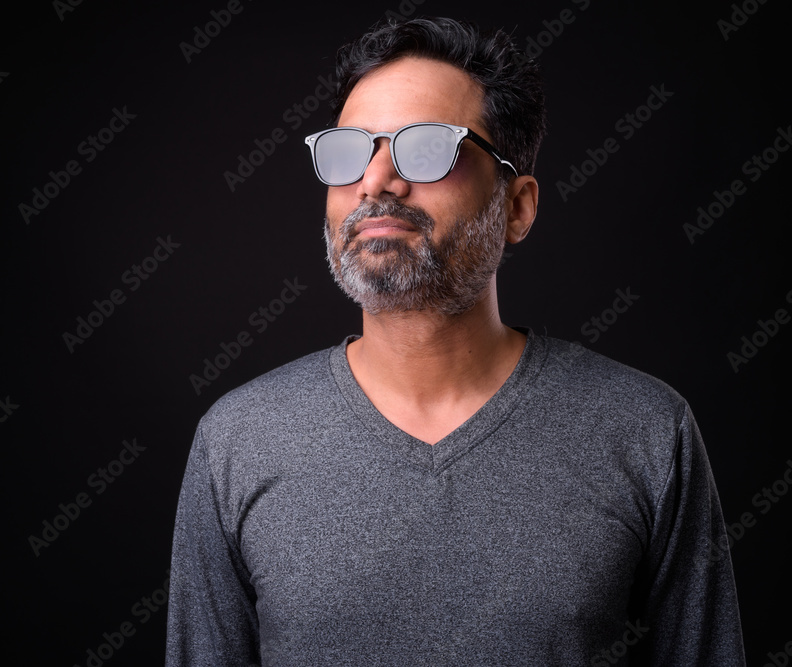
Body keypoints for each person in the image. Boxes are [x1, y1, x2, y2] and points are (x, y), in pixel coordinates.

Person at [166, 16, 745, 666]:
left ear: (518, 206)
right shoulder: (238, 443)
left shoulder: (644, 432)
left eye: (426, 147)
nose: (376, 181)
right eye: (349, 149)